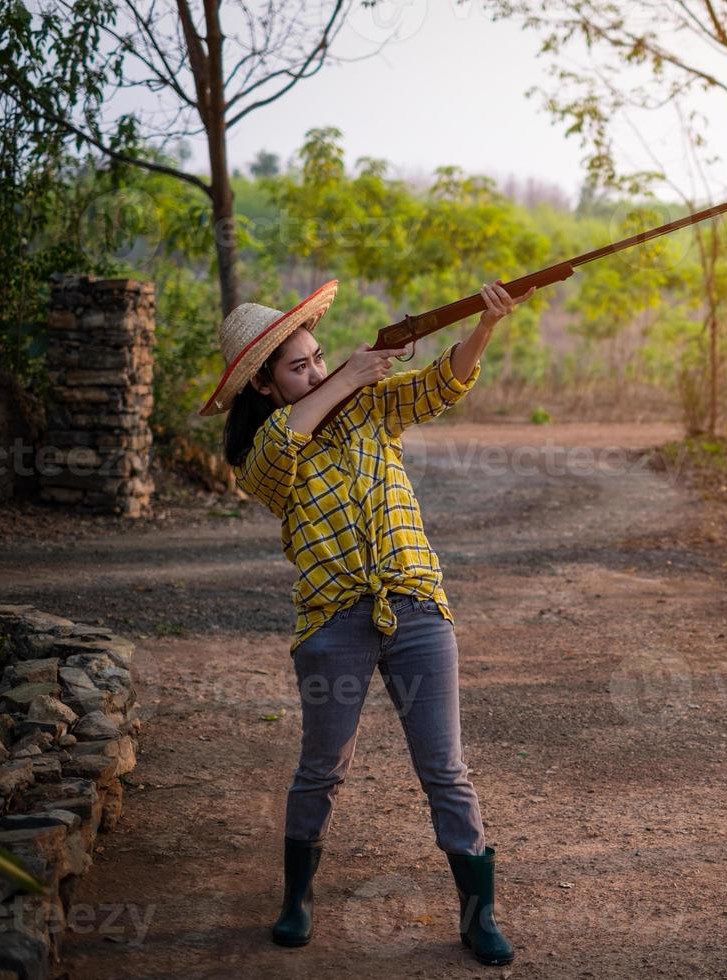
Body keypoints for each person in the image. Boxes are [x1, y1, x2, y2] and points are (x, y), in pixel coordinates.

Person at [200, 278, 531, 964]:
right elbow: (286, 444)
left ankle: (478, 915)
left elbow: (440, 385)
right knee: (322, 768)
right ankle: (296, 900)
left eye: (319, 356)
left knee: (445, 767)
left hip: (416, 604)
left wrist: (485, 326)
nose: (318, 370)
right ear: (264, 387)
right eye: (300, 367)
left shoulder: (370, 407)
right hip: (331, 622)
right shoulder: (263, 454)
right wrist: (347, 373)